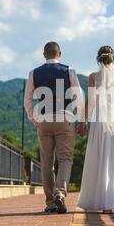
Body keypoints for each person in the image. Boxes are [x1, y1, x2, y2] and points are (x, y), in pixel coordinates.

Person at [24, 41, 84, 214]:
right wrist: (81, 120)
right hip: (64, 118)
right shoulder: (69, 70)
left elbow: (27, 100)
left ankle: (50, 202)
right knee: (65, 158)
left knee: (46, 162)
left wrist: (33, 119)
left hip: (43, 120)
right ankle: (60, 193)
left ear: (44, 55)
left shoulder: (33, 73)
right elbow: (79, 96)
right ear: (60, 53)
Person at [77, 45, 114, 213]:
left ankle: (104, 201)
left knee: (100, 159)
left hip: (99, 123)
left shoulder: (93, 77)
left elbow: (91, 102)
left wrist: (83, 122)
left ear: (98, 59)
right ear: (113, 59)